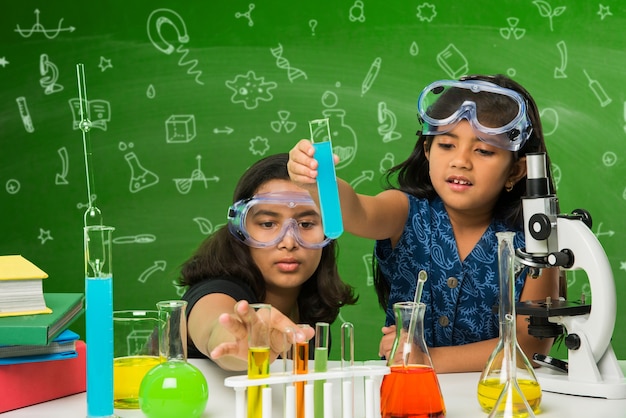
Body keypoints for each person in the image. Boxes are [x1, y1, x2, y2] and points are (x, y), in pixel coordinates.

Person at [287, 74, 561, 373]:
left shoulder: (538, 242)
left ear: (516, 171)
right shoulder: (404, 211)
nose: (461, 161)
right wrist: (317, 180)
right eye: (446, 145)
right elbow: (358, 211)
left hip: (494, 399)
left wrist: (428, 359)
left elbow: (530, 347)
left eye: (483, 151)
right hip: (407, 394)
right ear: (427, 151)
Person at [179, 153, 358, 371]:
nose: (289, 241)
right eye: (267, 224)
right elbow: (214, 326)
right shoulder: (216, 291)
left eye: (306, 224)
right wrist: (240, 339)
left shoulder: (312, 311)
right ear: (240, 228)